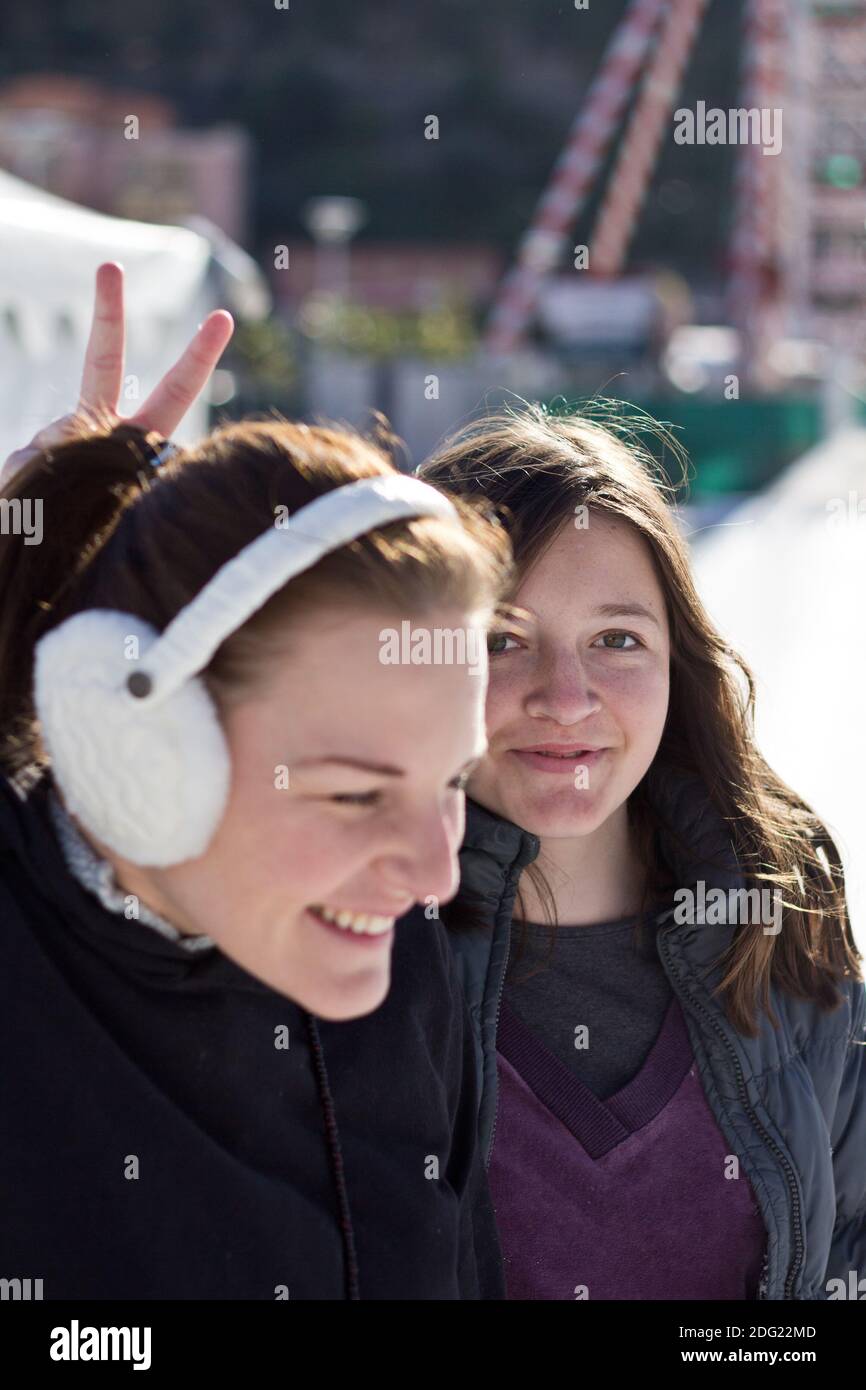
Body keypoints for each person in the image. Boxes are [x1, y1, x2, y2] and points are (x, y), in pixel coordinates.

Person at [0, 264, 511, 1299]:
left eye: (451, 779)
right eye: (353, 793)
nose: (433, 873)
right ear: (142, 744)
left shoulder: (395, 962)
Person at [407, 401, 866, 1301]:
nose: (567, 697)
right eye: (502, 639)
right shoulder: (336, 927)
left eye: (616, 639)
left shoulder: (780, 910)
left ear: (677, 661)